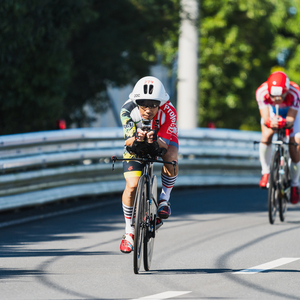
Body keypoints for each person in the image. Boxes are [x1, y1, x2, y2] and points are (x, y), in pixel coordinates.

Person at [119, 76, 179, 253]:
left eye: (153, 104)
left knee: (171, 155)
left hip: (161, 138)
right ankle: (129, 231)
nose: (148, 109)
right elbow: (128, 141)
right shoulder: (127, 110)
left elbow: (164, 144)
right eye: (143, 104)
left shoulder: (170, 111)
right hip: (136, 141)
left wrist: (154, 141)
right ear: (136, 101)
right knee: (132, 186)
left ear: (161, 103)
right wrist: (138, 140)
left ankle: (164, 200)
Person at [256, 71, 300, 204]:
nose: (276, 99)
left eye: (279, 96)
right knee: (266, 135)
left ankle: (294, 184)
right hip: (272, 111)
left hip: (293, 114)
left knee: (295, 144)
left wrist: (285, 123)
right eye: (272, 96)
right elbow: (265, 117)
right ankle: (266, 172)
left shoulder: (295, 92)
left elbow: (292, 119)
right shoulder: (261, 92)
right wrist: (270, 122)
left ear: (286, 92)